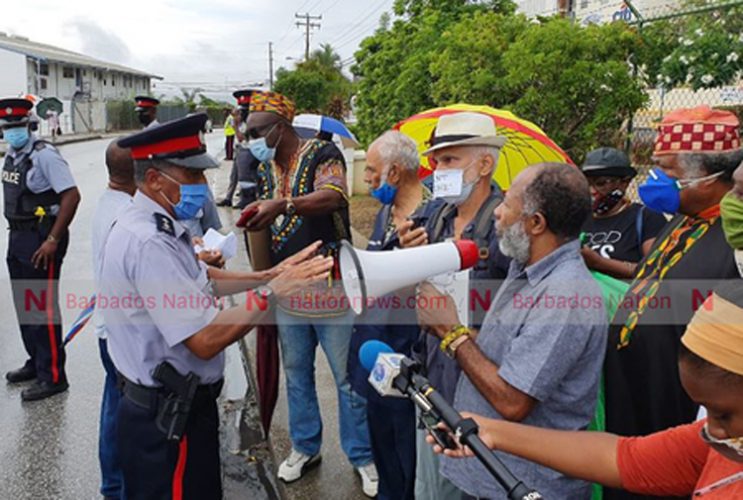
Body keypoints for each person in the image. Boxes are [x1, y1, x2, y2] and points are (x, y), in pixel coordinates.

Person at [100, 113, 333, 499]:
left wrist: (268, 275)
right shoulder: (149, 242)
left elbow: (202, 279)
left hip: (176, 412)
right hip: (167, 422)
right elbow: (204, 339)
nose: (203, 186)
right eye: (192, 176)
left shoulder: (158, 223)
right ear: (155, 180)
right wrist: (273, 292)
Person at [428, 280, 743, 499]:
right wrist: (493, 433)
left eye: (722, 414)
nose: (712, 429)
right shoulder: (717, 444)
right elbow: (623, 458)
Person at [417, 162, 607, 499]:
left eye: (507, 204)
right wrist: (450, 329)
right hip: (493, 475)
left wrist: (451, 332)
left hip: (523, 484)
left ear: (536, 223)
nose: (497, 213)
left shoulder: (564, 296)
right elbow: (503, 354)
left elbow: (513, 401)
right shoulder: (527, 269)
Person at [240, 90, 378, 496]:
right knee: (297, 374)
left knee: (347, 378)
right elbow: (264, 221)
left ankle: (362, 455)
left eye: (256, 132)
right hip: (289, 290)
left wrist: (283, 204)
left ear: (280, 128)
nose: (251, 140)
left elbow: (333, 196)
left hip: (331, 284)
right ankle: (305, 447)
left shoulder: (322, 154)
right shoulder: (266, 171)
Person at [604, 106, 743, 499]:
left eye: (669, 171)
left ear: (710, 178)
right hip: (634, 401)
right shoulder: (681, 219)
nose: (655, 179)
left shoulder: (734, 246)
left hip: (679, 411)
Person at [397, 111, 511, 500]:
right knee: (430, 486)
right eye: (436, 160)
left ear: (484, 163)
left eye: (450, 159)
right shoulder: (434, 215)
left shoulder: (507, 224)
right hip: (433, 377)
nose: (439, 169)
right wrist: (408, 256)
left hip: (480, 381)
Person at [347, 130, 439, 500]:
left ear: (396, 172)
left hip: (407, 356)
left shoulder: (432, 217)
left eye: (372, 170)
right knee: (383, 449)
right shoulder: (386, 210)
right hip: (373, 352)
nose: (367, 177)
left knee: (407, 456)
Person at [1, 97, 81, 401]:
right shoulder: (12, 155)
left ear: (29, 125)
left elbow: (71, 196)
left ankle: (54, 376)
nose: (12, 131)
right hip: (18, 237)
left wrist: (52, 240)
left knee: (42, 308)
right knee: (26, 305)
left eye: (18, 126)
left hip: (42, 239)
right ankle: (36, 363)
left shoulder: (44, 155)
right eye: (7, 127)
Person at [91, 141, 136, 499]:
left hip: (108, 325)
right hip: (123, 332)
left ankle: (113, 486)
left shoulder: (109, 203)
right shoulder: (128, 214)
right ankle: (119, 487)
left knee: (113, 409)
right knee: (125, 415)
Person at [580, 147, 667, 279]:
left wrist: (599, 262)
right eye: (587, 183)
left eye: (601, 183)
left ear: (624, 183)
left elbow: (653, 271)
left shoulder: (647, 218)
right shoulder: (577, 220)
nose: (592, 191)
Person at [217, 90, 259, 209]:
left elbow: (241, 138)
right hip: (239, 150)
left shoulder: (249, 123)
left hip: (247, 151)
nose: (238, 114)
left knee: (244, 177)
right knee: (233, 176)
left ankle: (245, 200)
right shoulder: (241, 122)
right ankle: (228, 198)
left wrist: (235, 125)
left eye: (241, 112)